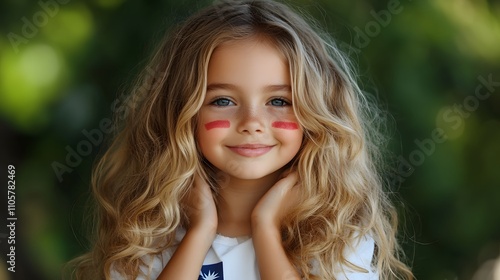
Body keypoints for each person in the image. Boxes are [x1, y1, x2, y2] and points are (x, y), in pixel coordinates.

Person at [70, 0, 414, 279]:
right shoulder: (146, 235)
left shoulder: (337, 239)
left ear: (316, 113)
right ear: (180, 113)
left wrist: (265, 230)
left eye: (278, 102)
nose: (252, 123)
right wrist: (200, 233)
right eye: (223, 101)